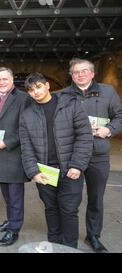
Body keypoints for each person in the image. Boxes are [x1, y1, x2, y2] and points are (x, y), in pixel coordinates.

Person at [20, 72, 93, 248]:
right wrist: (34, 172)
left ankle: (69, 248)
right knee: (51, 210)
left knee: (68, 211)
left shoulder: (71, 105)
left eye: (38, 87)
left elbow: (85, 136)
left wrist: (77, 165)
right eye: (30, 90)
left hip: (70, 170)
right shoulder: (27, 115)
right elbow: (26, 146)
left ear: (47, 85)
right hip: (45, 172)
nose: (35, 92)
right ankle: (54, 246)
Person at [61, 58, 122, 252]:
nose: (80, 74)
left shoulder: (107, 92)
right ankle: (68, 236)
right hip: (73, 156)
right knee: (71, 199)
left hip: (98, 154)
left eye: (84, 71)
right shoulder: (63, 95)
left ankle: (93, 236)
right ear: (71, 75)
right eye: (76, 72)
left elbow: (119, 116)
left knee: (96, 198)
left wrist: (109, 130)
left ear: (92, 73)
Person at [0, 67, 29, 247]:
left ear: (11, 79)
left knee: (15, 195)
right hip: (0, 154)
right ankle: (10, 221)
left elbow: (25, 128)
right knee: (6, 193)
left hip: (14, 154)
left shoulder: (23, 98)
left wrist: (8, 142)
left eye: (4, 79)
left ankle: (14, 230)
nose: (1, 82)